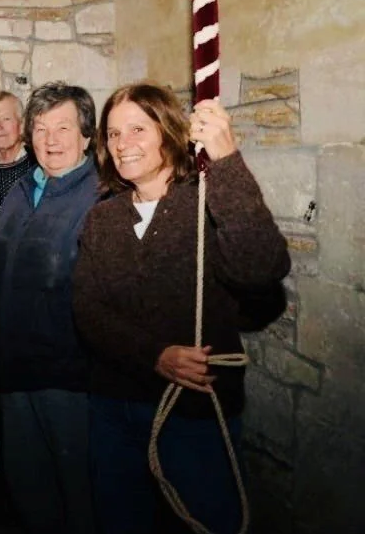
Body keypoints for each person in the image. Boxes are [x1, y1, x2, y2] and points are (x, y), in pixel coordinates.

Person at [72, 83, 290, 534]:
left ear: (169, 132)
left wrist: (226, 160)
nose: (122, 144)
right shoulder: (103, 218)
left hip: (195, 412)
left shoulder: (206, 203)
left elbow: (260, 269)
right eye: (113, 134)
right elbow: (88, 311)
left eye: (137, 128)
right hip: (114, 407)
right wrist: (155, 356)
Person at [0, 81, 101, 534]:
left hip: (67, 377)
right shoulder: (21, 190)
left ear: (86, 136)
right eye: (41, 128)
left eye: (63, 127)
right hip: (13, 370)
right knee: (28, 488)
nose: (50, 140)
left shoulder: (98, 198)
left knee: (79, 494)